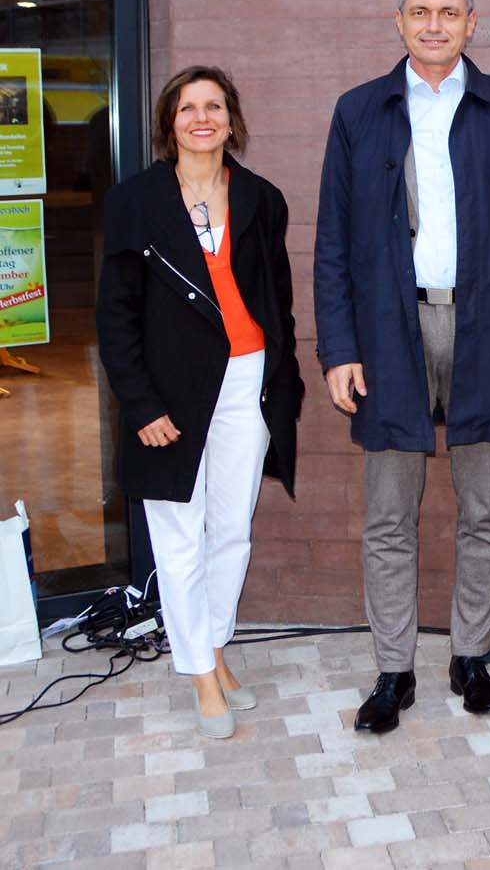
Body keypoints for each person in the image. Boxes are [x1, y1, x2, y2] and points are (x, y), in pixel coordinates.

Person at [314, 0, 490, 732]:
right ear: (399, 21)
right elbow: (332, 242)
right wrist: (339, 348)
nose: (433, 24)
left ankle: (470, 656)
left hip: (487, 330)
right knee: (390, 512)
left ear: (471, 22)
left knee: (485, 508)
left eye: (448, 12)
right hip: (391, 332)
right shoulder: (360, 111)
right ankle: (394, 669)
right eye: (420, 11)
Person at [97, 66, 303, 739]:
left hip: (247, 382)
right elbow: (115, 316)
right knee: (180, 535)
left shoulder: (261, 199)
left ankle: (213, 648)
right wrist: (140, 404)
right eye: (188, 107)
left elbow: (278, 302)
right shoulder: (135, 202)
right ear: (170, 122)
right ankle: (199, 673)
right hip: (170, 393)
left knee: (232, 529)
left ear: (231, 119)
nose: (202, 117)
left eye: (214, 106)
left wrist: (285, 383)